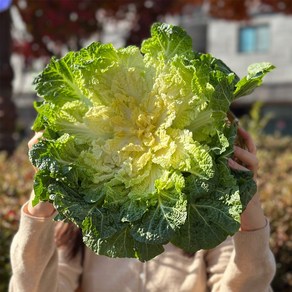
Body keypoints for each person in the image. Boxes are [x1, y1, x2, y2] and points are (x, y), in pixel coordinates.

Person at [9, 127, 276, 292]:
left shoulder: (200, 213)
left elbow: (248, 286)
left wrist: (246, 204)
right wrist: (44, 192)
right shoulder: (84, 218)